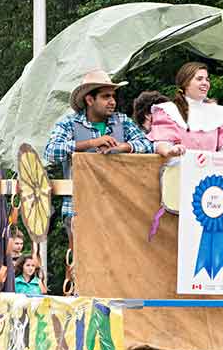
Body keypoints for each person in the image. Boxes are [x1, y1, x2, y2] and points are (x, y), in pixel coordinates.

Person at [45, 69, 158, 232]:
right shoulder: (69, 123)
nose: (112, 101)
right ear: (89, 99)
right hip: (79, 210)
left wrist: (124, 147)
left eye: (113, 96)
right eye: (106, 96)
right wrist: (91, 142)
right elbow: (50, 152)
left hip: (119, 208)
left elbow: (149, 145)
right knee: (81, 258)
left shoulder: (122, 120)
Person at [148, 62, 223, 162]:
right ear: (185, 83)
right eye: (199, 79)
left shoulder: (220, 113)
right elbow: (162, 143)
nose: (205, 83)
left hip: (211, 175)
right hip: (178, 173)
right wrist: (170, 151)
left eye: (207, 79)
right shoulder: (167, 110)